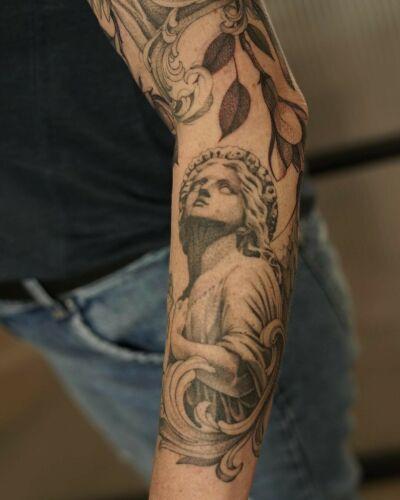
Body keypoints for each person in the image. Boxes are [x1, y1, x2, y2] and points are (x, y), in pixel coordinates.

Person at [0, 1, 359, 498]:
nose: (208, 192)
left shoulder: (236, 283)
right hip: (36, 306)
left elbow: (243, 116)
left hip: (149, 282)